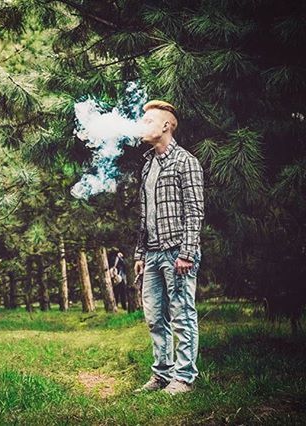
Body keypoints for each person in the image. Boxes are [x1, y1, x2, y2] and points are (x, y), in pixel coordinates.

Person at [132, 100, 204, 395]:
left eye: (148, 121)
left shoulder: (186, 162)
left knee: (182, 314)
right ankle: (161, 374)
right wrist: (139, 253)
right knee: (153, 317)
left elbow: (195, 211)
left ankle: (183, 377)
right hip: (151, 253)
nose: (142, 125)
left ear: (166, 126)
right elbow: (144, 214)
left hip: (177, 252)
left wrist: (187, 253)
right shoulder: (148, 163)